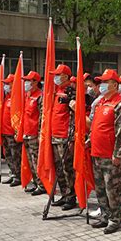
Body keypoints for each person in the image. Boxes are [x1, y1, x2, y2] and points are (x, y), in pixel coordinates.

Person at [89, 69, 121, 234]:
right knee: (100, 188)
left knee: (113, 189)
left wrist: (118, 154)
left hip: (110, 156)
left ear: (115, 85)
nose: (101, 86)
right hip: (97, 153)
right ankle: (105, 215)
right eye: (100, 82)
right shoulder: (100, 103)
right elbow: (95, 128)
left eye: (105, 82)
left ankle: (115, 219)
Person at [50, 64, 77, 210]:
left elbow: (74, 114)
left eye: (57, 75)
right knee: (58, 167)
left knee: (67, 168)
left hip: (65, 136)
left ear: (65, 76)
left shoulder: (71, 91)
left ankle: (71, 197)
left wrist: (71, 137)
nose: (55, 78)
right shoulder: (56, 91)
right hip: (55, 134)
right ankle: (64, 194)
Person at [21, 71, 45, 194]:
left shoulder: (40, 96)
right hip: (26, 133)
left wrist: (40, 134)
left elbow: (41, 117)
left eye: (28, 81)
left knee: (36, 161)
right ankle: (36, 183)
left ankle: (42, 185)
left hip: (34, 134)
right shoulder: (28, 95)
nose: (25, 83)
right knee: (30, 161)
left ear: (35, 82)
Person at [0, 74, 22, 187]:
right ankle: (12, 173)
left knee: (15, 156)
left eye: (8, 83)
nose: (6, 85)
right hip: (4, 131)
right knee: (7, 155)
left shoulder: (17, 97)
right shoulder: (6, 96)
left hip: (12, 133)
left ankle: (18, 176)